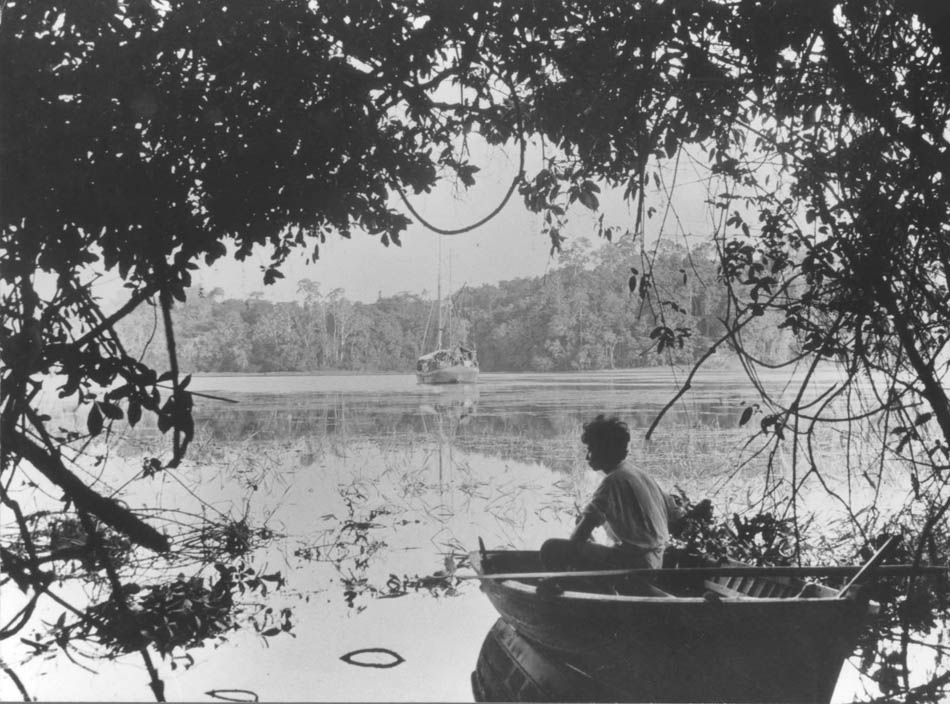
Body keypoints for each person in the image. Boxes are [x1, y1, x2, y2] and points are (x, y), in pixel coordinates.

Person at [540, 414, 683, 581]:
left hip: (635, 565)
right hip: (655, 562)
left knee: (551, 548)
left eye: (591, 449)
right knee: (582, 528)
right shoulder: (637, 473)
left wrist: (570, 556)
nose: (587, 456)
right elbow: (675, 515)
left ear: (605, 449)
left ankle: (563, 589)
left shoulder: (612, 482)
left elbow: (578, 537)